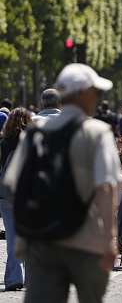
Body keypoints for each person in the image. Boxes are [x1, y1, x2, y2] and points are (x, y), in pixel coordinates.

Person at [5, 63, 121, 302]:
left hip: (43, 239)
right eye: (97, 93)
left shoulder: (33, 132)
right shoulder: (97, 132)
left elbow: (16, 186)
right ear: (84, 94)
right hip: (87, 238)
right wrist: (110, 239)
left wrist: (22, 239)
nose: (98, 99)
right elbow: (106, 189)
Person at [0, 108, 33, 291]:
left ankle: (13, 279)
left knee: (12, 238)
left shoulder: (3, 143)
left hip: (7, 196)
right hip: (29, 197)